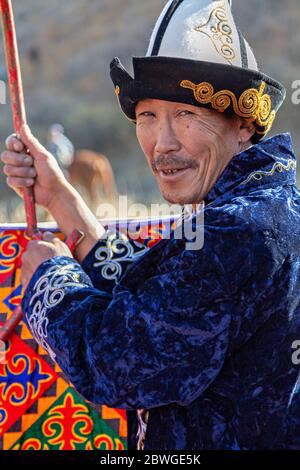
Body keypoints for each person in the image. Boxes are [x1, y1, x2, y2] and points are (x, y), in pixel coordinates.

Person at [1, 0, 300, 450]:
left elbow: (116, 361)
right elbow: (162, 299)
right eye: (148, 116)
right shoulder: (272, 203)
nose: (163, 143)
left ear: (242, 123)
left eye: (186, 115)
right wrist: (60, 198)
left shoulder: (239, 232)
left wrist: (49, 280)